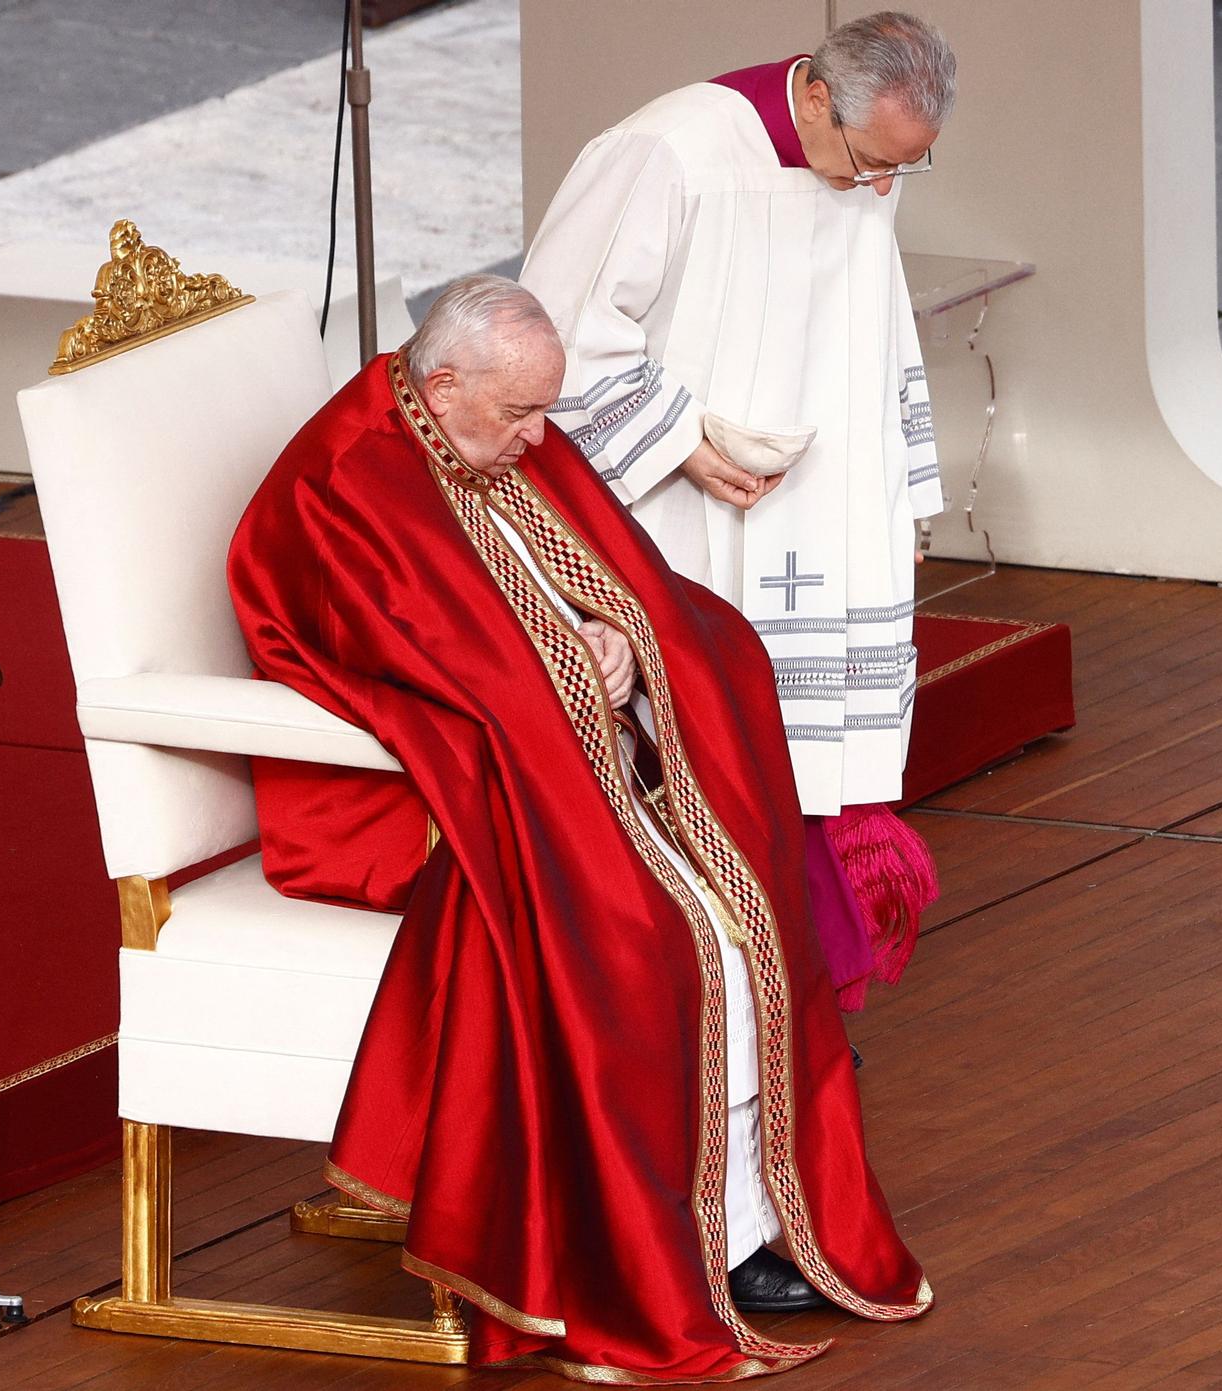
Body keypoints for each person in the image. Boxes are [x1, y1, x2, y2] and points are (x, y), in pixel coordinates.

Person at [227, 276, 929, 1383]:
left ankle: (740, 1223)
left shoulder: (496, 424)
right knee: (676, 936)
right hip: (440, 797)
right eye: (518, 415)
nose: (539, 438)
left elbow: (629, 584)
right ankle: (673, 1254)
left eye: (545, 412)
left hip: (588, 761)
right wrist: (566, 672)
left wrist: (623, 639)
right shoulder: (345, 486)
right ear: (441, 379)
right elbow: (417, 665)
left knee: (748, 907)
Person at [520, 13, 954, 1012]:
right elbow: (556, 324)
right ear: (813, 98)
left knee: (818, 766)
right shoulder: (667, 154)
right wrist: (678, 443)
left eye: (907, 167)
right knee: (723, 760)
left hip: (822, 504)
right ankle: (719, 1004)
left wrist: (897, 488)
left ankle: (797, 1011)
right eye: (871, 161)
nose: (882, 187)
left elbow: (872, 327)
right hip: (690, 513)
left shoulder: (858, 159)